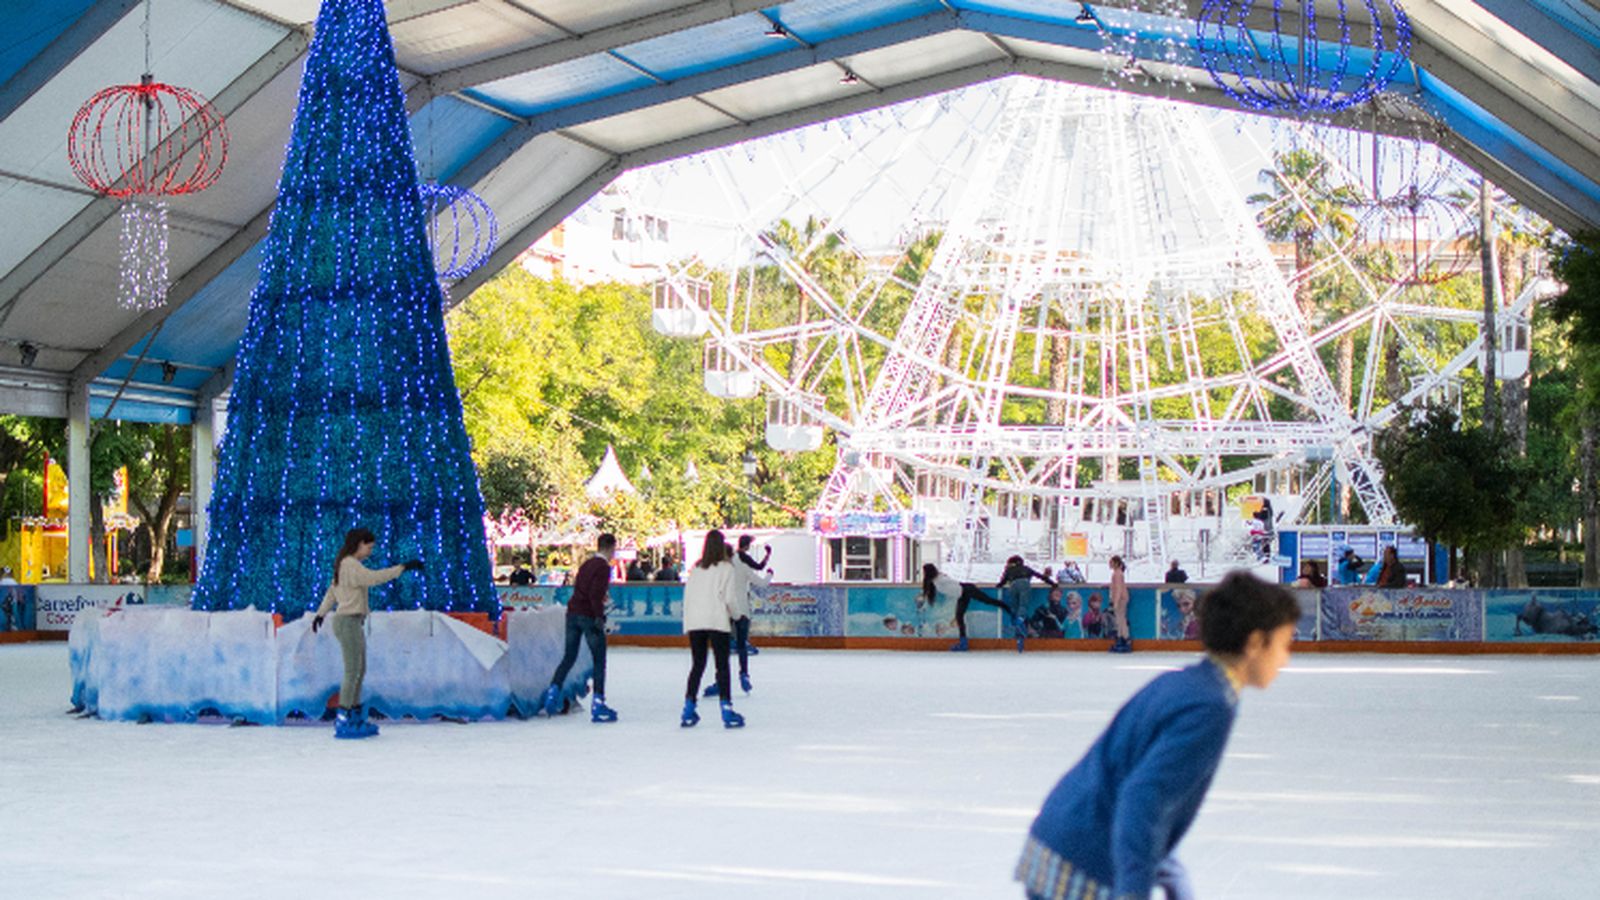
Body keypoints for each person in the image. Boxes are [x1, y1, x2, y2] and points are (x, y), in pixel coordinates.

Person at [1015, 571, 1301, 900]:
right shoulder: (1209, 706)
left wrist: (1167, 870)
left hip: (1061, 842)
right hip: (1086, 864)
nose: (1285, 658)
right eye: (1284, 643)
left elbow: (1134, 779)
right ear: (1255, 643)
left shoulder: (1186, 683)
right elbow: (1143, 800)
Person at [311, 527, 423, 739]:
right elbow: (374, 578)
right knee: (353, 671)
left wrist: (321, 614)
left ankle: (353, 714)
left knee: (359, 669)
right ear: (359, 544)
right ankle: (343, 718)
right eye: (368, 547)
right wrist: (403, 567)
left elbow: (331, 591)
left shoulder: (345, 564)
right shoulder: (351, 565)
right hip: (347, 622)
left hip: (351, 622)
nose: (370, 551)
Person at [541, 533, 620, 723]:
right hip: (588, 616)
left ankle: (553, 691)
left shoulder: (586, 564)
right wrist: (599, 618)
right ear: (609, 548)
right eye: (614, 550)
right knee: (599, 659)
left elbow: (581, 589)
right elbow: (595, 595)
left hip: (573, 614)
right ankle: (598, 703)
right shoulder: (602, 567)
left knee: (569, 656)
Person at [680, 530, 745, 729]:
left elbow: (688, 596)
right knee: (722, 666)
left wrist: (688, 621)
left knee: (697, 665)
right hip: (716, 620)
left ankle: (688, 707)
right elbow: (730, 598)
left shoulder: (697, 569)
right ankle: (726, 709)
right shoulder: (726, 568)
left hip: (695, 621)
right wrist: (737, 615)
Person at [706, 535, 771, 695]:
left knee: (722, 648)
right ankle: (744, 674)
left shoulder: (723, 567)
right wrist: (770, 574)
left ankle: (719, 681)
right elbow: (761, 582)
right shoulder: (743, 566)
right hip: (742, 610)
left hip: (726, 610)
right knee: (742, 645)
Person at [923, 563, 1010, 651]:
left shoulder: (939, 579)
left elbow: (952, 582)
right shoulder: (936, 580)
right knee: (959, 617)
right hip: (962, 594)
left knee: (987, 601)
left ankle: (1006, 607)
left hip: (967, 590)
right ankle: (963, 643)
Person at [998, 555, 1055, 652]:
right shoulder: (1026, 569)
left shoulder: (1009, 570)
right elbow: (1041, 576)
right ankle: (1020, 620)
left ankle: (1017, 623)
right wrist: (1053, 583)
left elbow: (1002, 582)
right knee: (1023, 605)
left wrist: (999, 585)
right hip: (1024, 583)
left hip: (1013, 585)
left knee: (1015, 606)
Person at [1107, 555, 1132, 654]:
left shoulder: (1117, 574)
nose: (1110, 564)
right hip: (1121, 598)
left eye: (1111, 562)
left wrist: (1116, 602)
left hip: (1121, 599)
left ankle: (1125, 639)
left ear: (1116, 563)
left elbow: (1118, 589)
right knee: (1120, 619)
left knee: (1120, 620)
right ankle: (1121, 639)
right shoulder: (1117, 573)